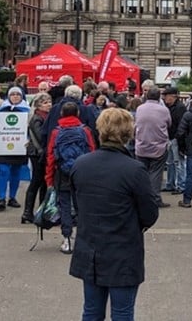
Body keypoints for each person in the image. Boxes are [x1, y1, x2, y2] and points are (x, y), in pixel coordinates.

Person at [69, 108, 158, 320]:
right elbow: (150, 213)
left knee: (91, 310)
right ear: (129, 133)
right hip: (123, 247)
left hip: (89, 245)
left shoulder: (81, 164)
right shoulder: (134, 169)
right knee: (122, 311)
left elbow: (77, 205)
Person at [46, 101, 97, 253]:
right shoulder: (85, 130)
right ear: (78, 114)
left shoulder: (56, 132)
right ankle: (83, 238)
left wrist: (49, 178)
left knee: (65, 207)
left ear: (61, 113)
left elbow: (50, 156)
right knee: (82, 206)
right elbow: (92, 151)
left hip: (62, 173)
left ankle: (67, 239)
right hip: (82, 172)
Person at [0, 87, 30, 211]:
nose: (16, 96)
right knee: (3, 171)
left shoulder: (27, 111)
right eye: (13, 94)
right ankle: (2, 197)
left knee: (15, 172)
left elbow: (30, 130)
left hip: (19, 147)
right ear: (8, 96)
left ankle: (12, 197)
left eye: (18, 94)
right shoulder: (1, 111)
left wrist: (28, 140)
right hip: (2, 146)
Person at [133, 87, 171, 208]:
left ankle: (141, 198)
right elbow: (169, 124)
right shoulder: (164, 110)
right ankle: (155, 199)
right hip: (159, 146)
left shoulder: (140, 108)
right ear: (159, 97)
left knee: (142, 173)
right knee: (156, 174)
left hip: (141, 145)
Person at [22, 92, 52, 224]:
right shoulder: (37, 118)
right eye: (45, 103)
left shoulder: (46, 117)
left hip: (40, 153)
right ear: (38, 106)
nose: (49, 104)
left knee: (43, 182)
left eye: (49, 102)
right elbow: (41, 136)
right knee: (36, 181)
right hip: (37, 153)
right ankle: (28, 212)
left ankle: (41, 210)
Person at [162, 87, 186, 197]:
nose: (164, 98)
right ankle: (170, 184)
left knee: (178, 162)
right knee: (170, 162)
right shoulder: (169, 107)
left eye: (166, 95)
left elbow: (181, 125)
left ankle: (181, 185)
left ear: (173, 96)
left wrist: (177, 138)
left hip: (176, 138)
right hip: (170, 138)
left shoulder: (180, 108)